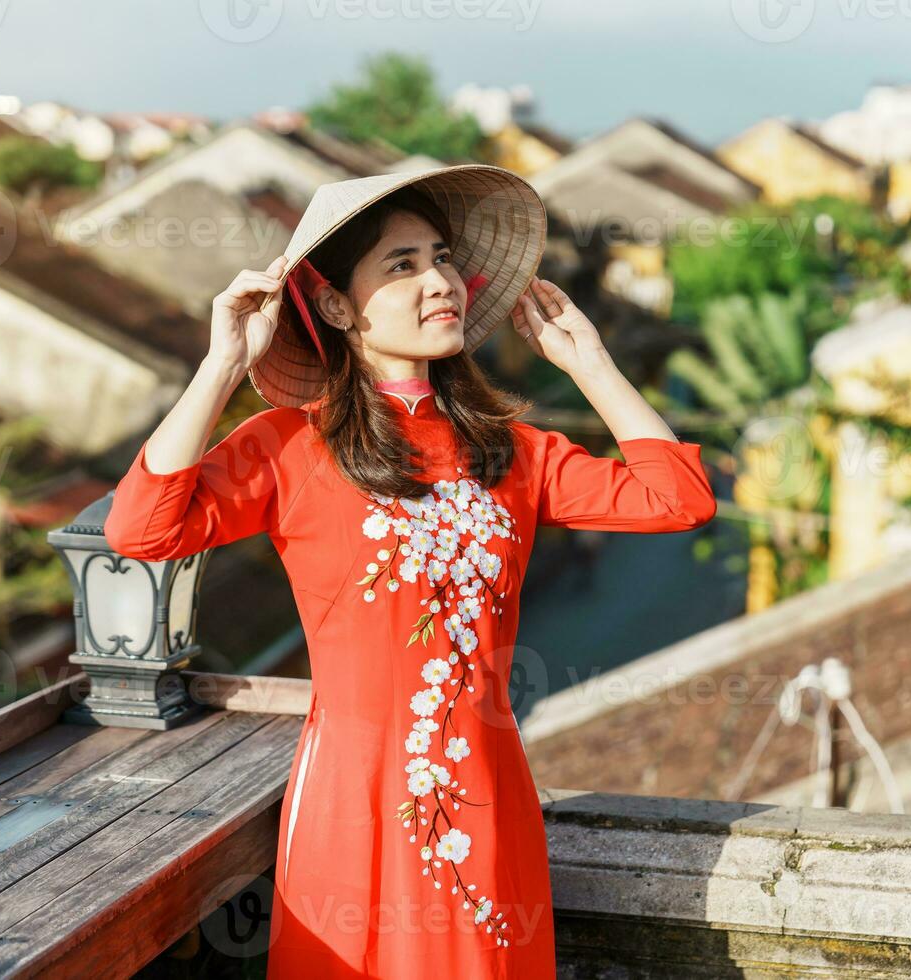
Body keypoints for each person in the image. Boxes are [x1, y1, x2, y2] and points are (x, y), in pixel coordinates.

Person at [101, 165, 717, 978]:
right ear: (333, 304)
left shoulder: (512, 452)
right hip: (353, 806)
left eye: (444, 259)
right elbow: (140, 530)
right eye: (402, 265)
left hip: (488, 808)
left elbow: (679, 499)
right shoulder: (289, 447)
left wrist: (591, 366)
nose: (441, 283)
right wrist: (220, 369)